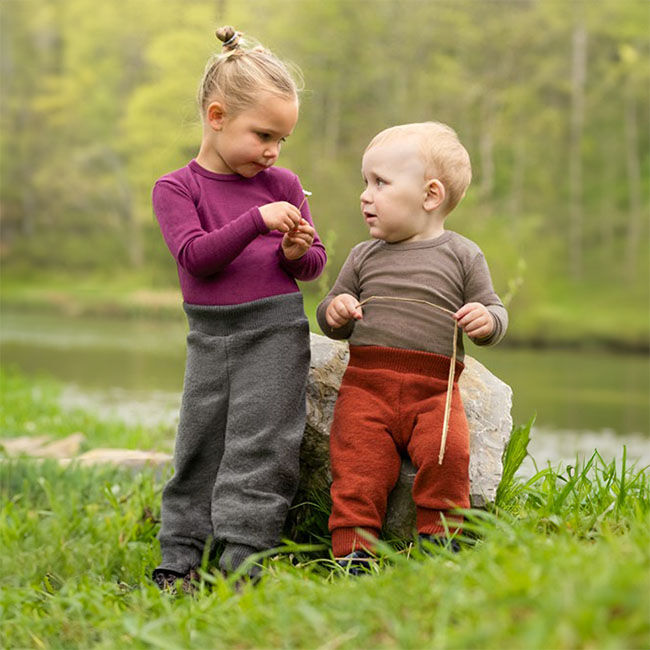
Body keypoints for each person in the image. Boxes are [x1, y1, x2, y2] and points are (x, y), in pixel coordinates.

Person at [151, 25, 326, 592]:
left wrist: (299, 252)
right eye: (264, 134)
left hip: (276, 331)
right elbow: (196, 258)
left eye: (283, 139)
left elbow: (313, 262)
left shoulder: (283, 183)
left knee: (263, 446)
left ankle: (243, 561)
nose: (273, 150)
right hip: (211, 337)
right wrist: (256, 220)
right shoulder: (176, 189)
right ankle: (179, 559)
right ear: (218, 116)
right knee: (200, 443)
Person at [316, 122, 507, 573]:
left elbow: (495, 312)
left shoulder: (463, 255)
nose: (365, 195)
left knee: (448, 456)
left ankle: (440, 544)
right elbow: (329, 316)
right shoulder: (364, 256)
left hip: (434, 393)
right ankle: (353, 551)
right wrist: (337, 310)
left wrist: (486, 320)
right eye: (365, 182)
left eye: (379, 183)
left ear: (430, 195)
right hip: (367, 387)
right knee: (357, 463)